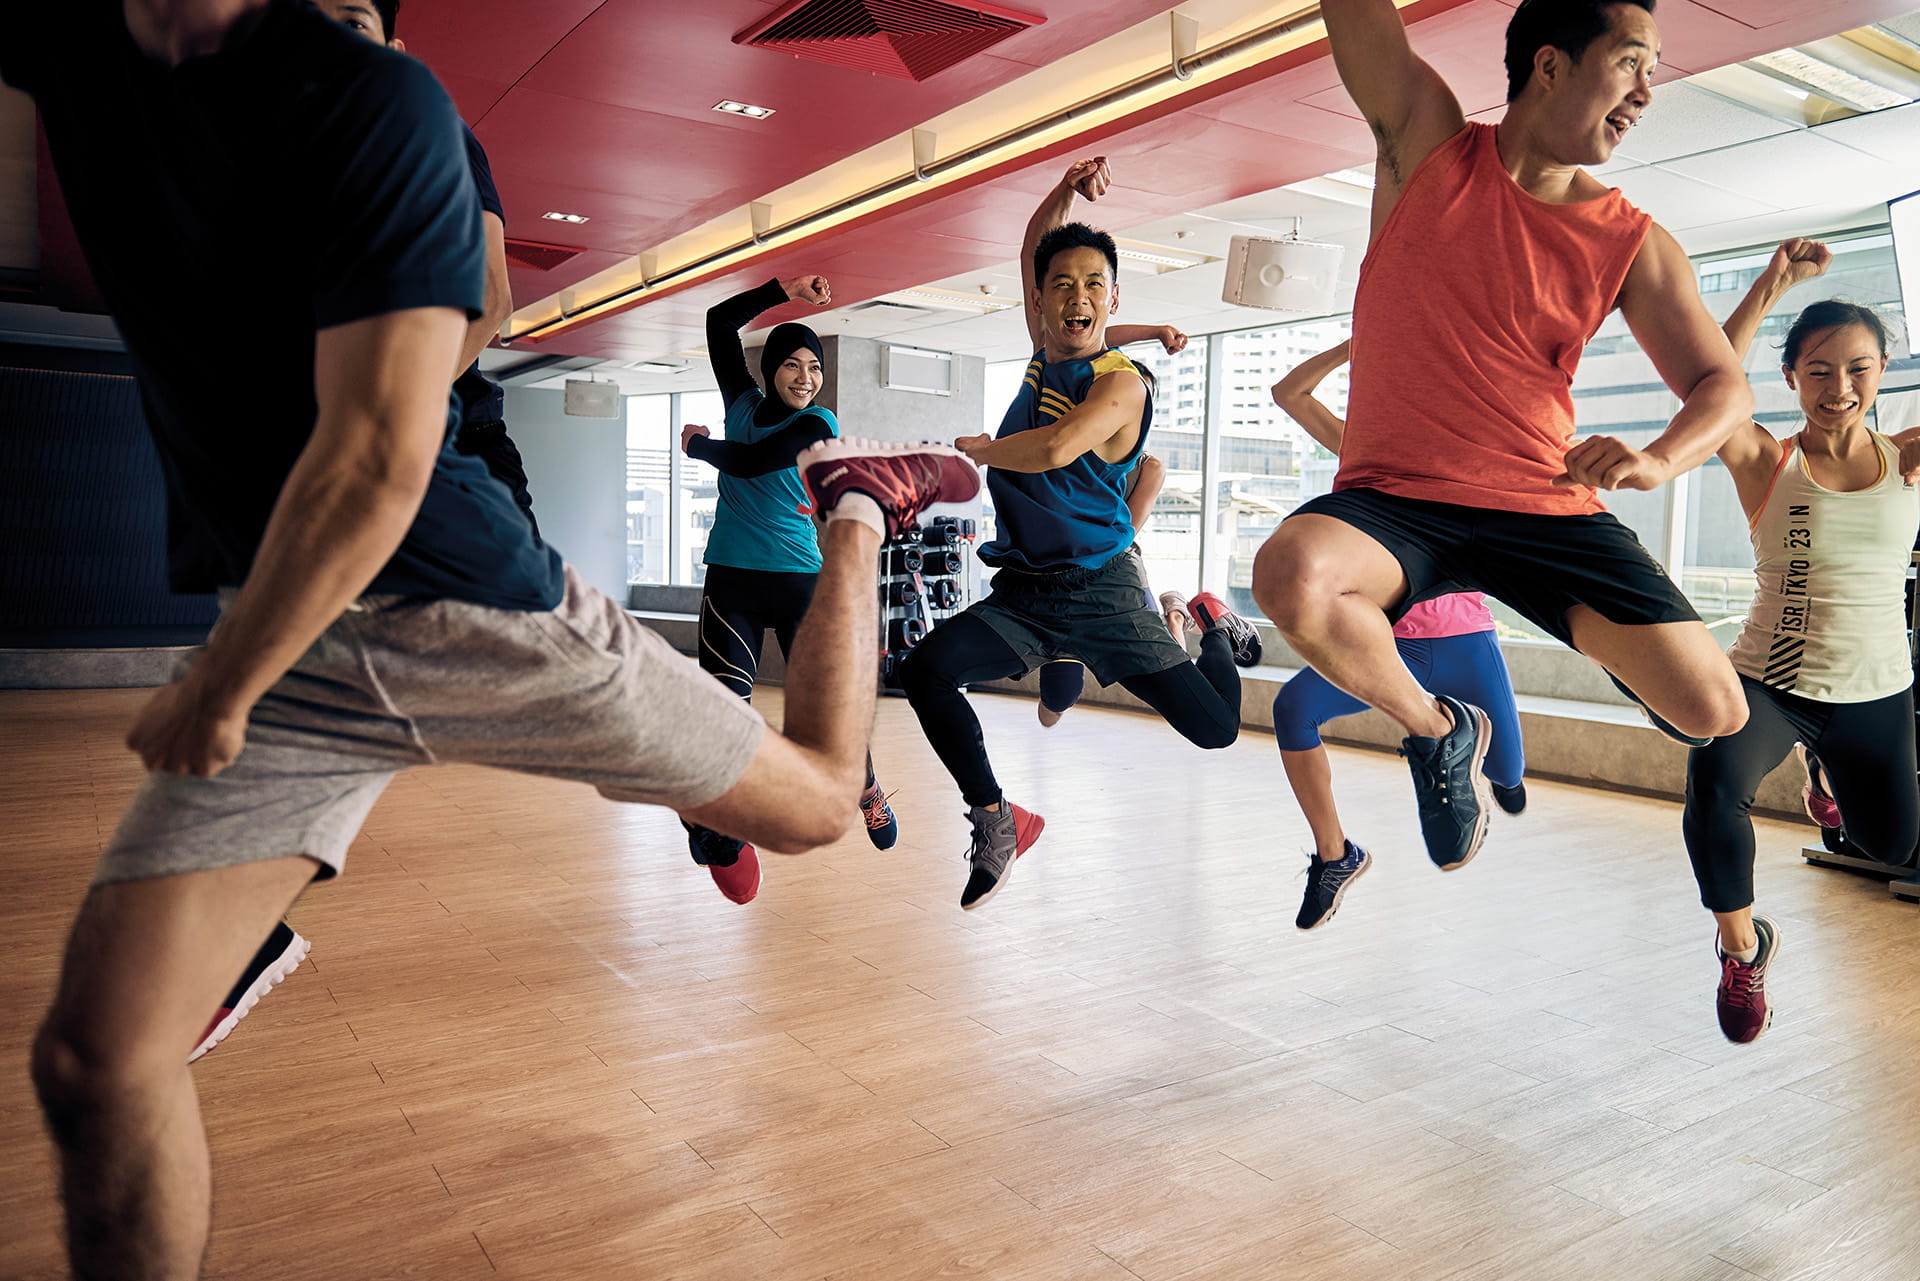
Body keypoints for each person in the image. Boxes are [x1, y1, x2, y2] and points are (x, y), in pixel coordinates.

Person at [9, 4, 978, 1277]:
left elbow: (382, 448)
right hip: (296, 622)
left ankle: (860, 504)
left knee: (817, 804)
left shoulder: (380, 104)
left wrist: (225, 682)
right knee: (97, 1060)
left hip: (459, 602)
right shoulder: (87, 58)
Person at [1252, 0, 1752, 879]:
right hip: (1396, 500)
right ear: (1550, 65)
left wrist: (1658, 458)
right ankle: (1438, 730)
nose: (1647, 91)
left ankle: (1585, 635)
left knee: (1713, 710)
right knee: (1291, 574)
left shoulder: (1632, 242)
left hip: (1541, 505)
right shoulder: (1426, 141)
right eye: (1630, 61)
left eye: (1653, 71)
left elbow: (1725, 387)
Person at [188, 0, 535, 1066]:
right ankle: (243, 934)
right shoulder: (280, 155)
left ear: (394, 44)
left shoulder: (428, 127)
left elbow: (491, 300)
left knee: (534, 667)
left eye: (353, 18)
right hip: (343, 464)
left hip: (442, 450)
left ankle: (722, 801)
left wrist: (388, 419)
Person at [904, 156, 1262, 911]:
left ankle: (1212, 624)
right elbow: (1033, 242)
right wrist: (1066, 187)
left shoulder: (1121, 382)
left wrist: (983, 451)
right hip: (1025, 591)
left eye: (1095, 285)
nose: (1078, 297)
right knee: (925, 671)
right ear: (1040, 300)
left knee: (1217, 730)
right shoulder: (1043, 354)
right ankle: (997, 819)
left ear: (1113, 297)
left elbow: (1058, 447)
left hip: (1104, 592)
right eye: (1062, 284)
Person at [1682, 237, 1920, 1042]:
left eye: (1858, 368)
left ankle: (1822, 767)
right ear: (1789, 377)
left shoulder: (1910, 456)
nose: (1839, 387)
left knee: (1891, 843)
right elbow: (1706, 377)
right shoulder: (1763, 458)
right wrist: (1771, 282)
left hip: (1874, 688)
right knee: (1714, 786)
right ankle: (1741, 948)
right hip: (1768, 680)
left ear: (1883, 371)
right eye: (1818, 370)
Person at [1269, 340, 1529, 930]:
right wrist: (1360, 342)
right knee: (1292, 710)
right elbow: (1288, 393)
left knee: (1508, 776)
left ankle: (1498, 778)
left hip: (1466, 642)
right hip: (1386, 647)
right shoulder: (1367, 456)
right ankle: (1335, 855)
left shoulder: (1479, 462)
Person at [678, 273, 903, 904]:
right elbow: (719, 323)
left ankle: (865, 788)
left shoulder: (818, 422)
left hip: (799, 583)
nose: (806, 377)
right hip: (731, 579)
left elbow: (751, 462)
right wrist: (786, 288)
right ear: (770, 368)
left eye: (815, 367)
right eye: (793, 365)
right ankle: (724, 835)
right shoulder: (741, 404)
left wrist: (699, 446)